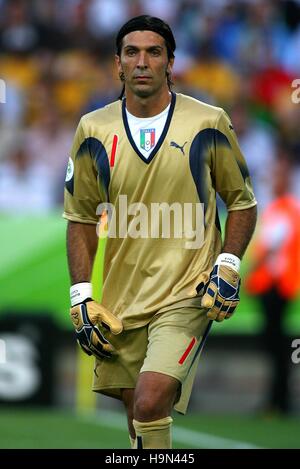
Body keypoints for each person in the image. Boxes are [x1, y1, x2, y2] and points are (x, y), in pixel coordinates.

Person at [63, 15, 257, 449]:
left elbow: (242, 202)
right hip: (121, 298)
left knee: (151, 403)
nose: (143, 61)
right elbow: (80, 218)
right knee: (139, 422)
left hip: (188, 292)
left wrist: (227, 262)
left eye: (154, 52)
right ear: (118, 63)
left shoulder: (208, 121)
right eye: (132, 52)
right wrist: (80, 294)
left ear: (171, 62)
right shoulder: (93, 128)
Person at [245, 154, 300, 414]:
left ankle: (278, 401)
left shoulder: (284, 208)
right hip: (278, 286)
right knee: (276, 345)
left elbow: (269, 248)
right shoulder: (284, 208)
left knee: (275, 346)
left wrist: (249, 273)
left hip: (276, 286)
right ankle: (278, 400)